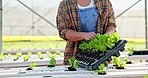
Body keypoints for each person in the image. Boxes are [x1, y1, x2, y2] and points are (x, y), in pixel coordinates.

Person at [56, 0, 116, 65]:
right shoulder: (65, 4)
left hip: (101, 55)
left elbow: (111, 25)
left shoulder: (104, 2)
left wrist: (106, 36)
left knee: (100, 72)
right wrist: (84, 35)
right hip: (74, 53)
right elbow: (64, 31)